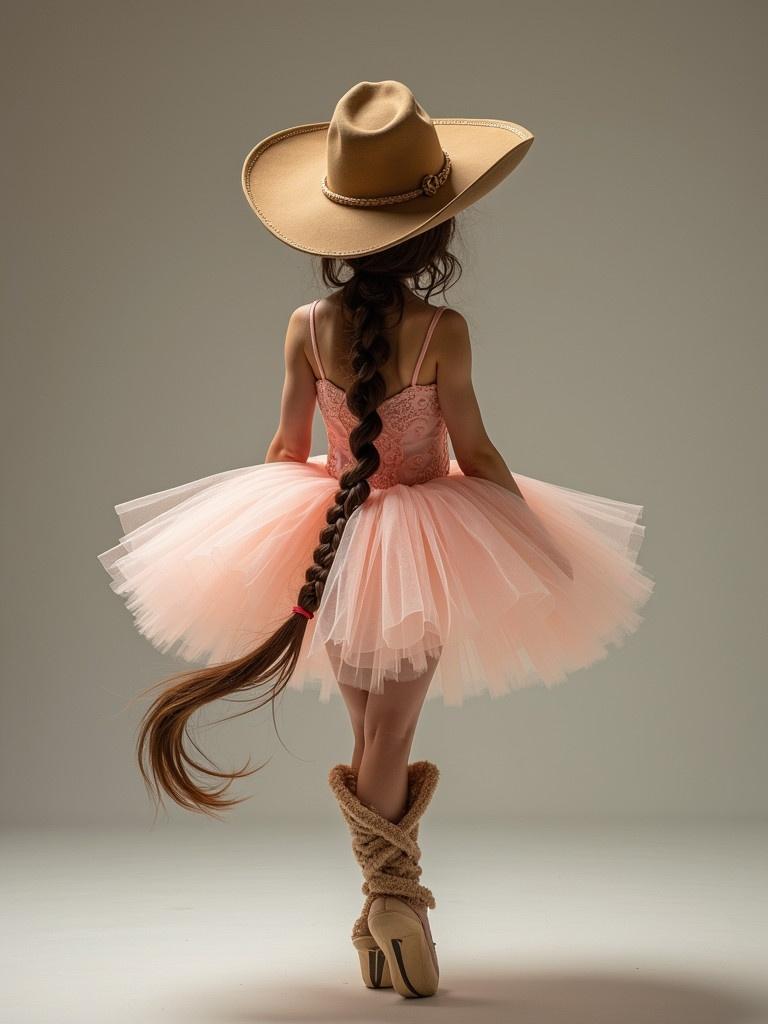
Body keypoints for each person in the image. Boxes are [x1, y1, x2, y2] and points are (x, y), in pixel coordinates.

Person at [97, 80, 655, 998]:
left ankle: (379, 918)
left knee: (373, 732)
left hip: (333, 533)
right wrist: (529, 534)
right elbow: (472, 452)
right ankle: (394, 902)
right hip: (418, 546)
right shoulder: (443, 331)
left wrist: (262, 539)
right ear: (437, 233)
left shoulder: (305, 327)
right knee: (389, 733)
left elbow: (286, 448)